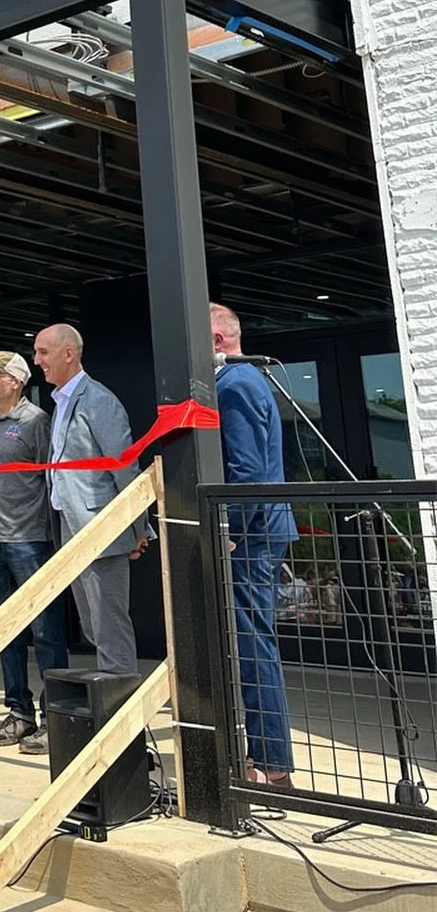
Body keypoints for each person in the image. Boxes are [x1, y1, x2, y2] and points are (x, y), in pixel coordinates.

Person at [211, 301, 297, 789]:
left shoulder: (237, 384)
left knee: (251, 645)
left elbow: (246, 472)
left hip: (254, 536)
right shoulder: (242, 383)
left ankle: (270, 763)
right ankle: (267, 757)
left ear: (218, 341)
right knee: (248, 642)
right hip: (261, 532)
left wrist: (233, 535)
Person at [33, 324, 147, 677]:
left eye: (43, 352)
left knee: (109, 626)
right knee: (93, 627)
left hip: (102, 529)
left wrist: (137, 527)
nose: (37, 361)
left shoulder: (98, 401)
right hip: (70, 525)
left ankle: (124, 720)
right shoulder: (62, 401)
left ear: (69, 353)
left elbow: (124, 466)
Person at [0, 351, 70, 756]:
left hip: (29, 540)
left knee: (45, 630)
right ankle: (19, 711)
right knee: (4, 631)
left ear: (14, 381)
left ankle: (55, 717)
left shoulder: (36, 422)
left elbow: (54, 479)